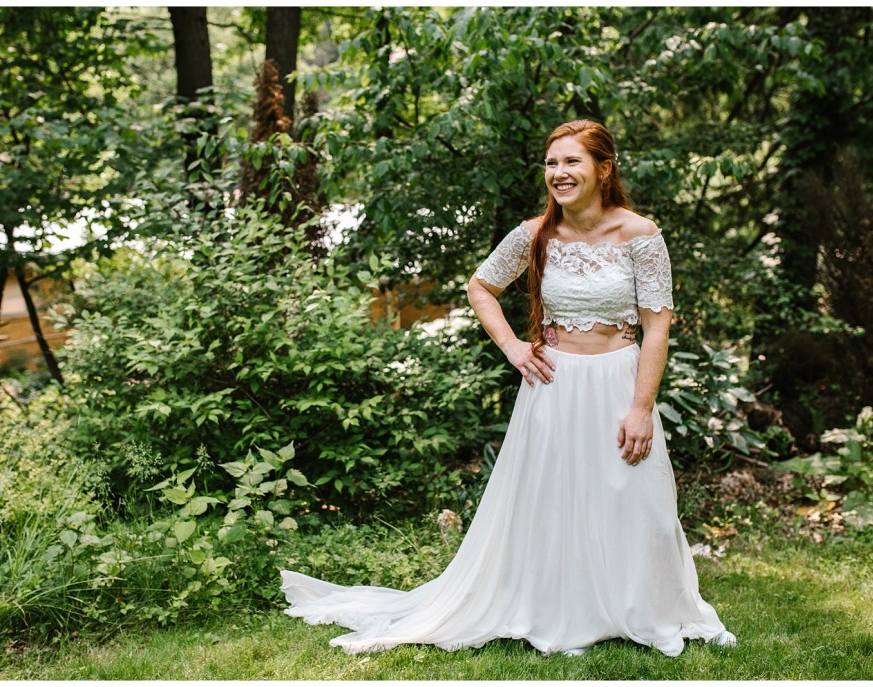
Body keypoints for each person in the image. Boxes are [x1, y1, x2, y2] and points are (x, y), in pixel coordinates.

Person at [280, 119, 736, 657]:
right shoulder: (536, 234)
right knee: (553, 503)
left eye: (572, 162)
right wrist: (514, 347)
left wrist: (642, 407)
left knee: (635, 500)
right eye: (551, 163)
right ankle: (560, 607)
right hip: (555, 385)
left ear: (604, 168)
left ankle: (643, 607)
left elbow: (657, 326)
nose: (559, 173)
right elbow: (480, 287)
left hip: (619, 382)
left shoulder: (640, 234)